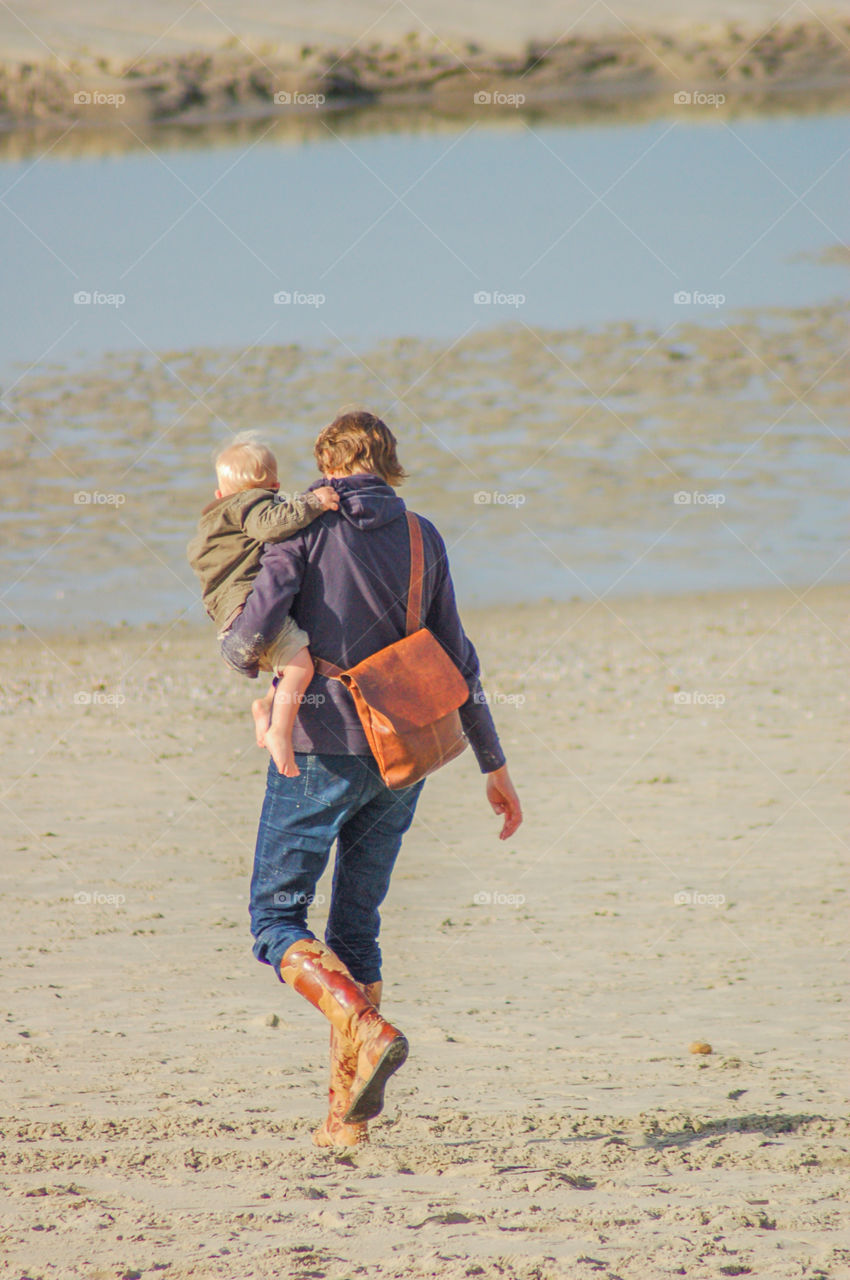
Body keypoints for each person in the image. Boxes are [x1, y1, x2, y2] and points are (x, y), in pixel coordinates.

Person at [221, 410, 523, 1148]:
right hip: (405, 753)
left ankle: (362, 1021)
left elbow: (252, 637)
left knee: (276, 922)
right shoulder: (423, 535)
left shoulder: (303, 530)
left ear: (325, 463)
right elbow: (459, 659)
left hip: (322, 748)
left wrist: (237, 648)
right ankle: (342, 1124)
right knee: (356, 926)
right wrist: (495, 764)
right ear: (388, 466)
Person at [187, 434, 339, 777]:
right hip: (247, 606)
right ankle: (280, 732)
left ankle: (267, 707)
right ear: (275, 486)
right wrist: (312, 502)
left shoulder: (216, 516)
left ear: (219, 493)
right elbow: (270, 526)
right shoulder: (253, 504)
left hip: (228, 612)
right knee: (302, 667)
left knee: (289, 658)